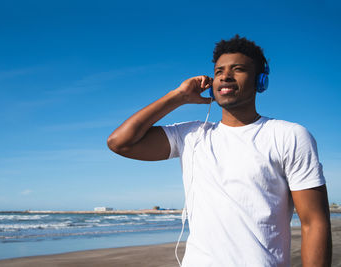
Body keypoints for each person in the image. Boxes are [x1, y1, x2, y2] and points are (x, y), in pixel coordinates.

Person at [107, 35, 332, 266]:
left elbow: (314, 222)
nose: (225, 76)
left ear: (260, 81)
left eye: (238, 69)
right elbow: (120, 142)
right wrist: (179, 96)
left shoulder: (289, 135)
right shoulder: (191, 135)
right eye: (218, 71)